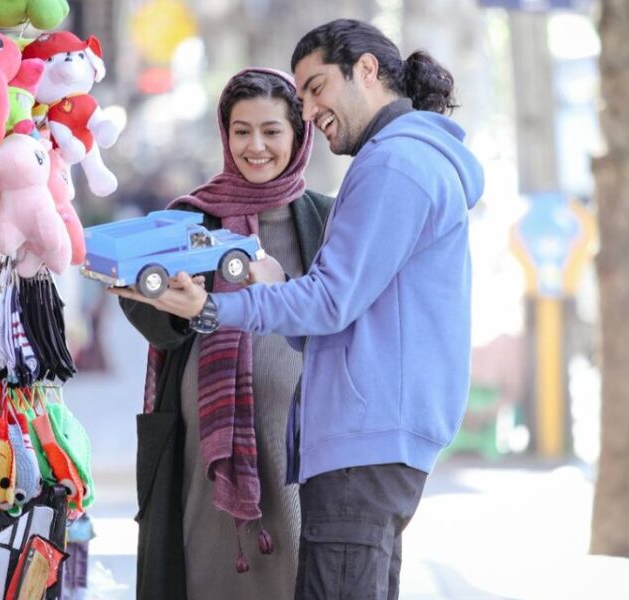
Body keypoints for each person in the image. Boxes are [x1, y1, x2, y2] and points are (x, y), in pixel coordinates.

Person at [113, 19, 485, 599]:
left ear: (366, 70)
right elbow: (354, 310)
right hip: (350, 444)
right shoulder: (402, 161)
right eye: (242, 130)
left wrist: (214, 307)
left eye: (315, 90)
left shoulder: (392, 165)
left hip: (360, 442)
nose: (309, 110)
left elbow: (331, 301)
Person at [118, 68, 332, 600]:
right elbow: (144, 311)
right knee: (204, 567)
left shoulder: (328, 219)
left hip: (302, 432)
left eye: (271, 131)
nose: (255, 146)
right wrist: (176, 304)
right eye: (241, 131)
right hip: (206, 435)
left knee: (295, 563)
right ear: (225, 133)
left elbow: (342, 312)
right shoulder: (192, 217)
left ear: (299, 134)